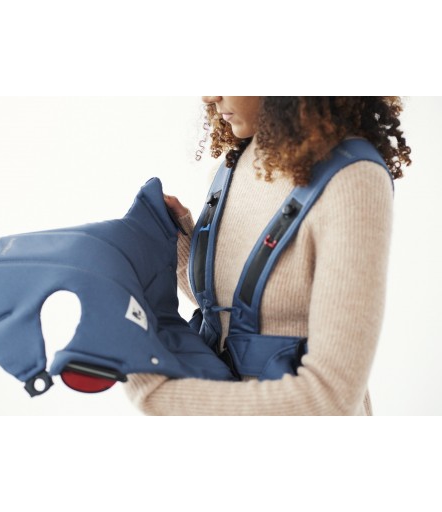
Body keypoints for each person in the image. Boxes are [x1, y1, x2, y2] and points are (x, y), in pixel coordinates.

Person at [123, 96, 412, 415]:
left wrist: (163, 397)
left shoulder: (352, 179)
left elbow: (330, 398)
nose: (209, 96)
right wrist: (178, 241)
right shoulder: (227, 170)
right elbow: (239, 315)